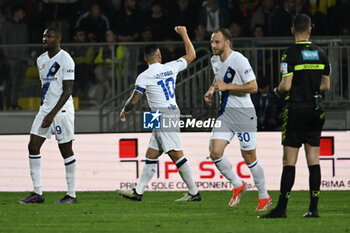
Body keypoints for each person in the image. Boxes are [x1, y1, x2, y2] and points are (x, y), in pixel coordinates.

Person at [116, 26, 200, 202]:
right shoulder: (171, 67)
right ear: (159, 56)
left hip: (163, 116)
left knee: (177, 154)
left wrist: (124, 111)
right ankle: (138, 192)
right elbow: (192, 55)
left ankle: (194, 193)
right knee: (152, 154)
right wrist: (184, 34)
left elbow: (133, 100)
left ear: (145, 58)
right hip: (164, 114)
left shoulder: (144, 76)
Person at [259, 13, 331, 218]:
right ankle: (313, 208)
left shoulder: (288, 54)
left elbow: (286, 86)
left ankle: (281, 208)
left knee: (289, 161)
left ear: (292, 30)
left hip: (296, 110)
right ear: (310, 29)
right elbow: (325, 85)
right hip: (316, 110)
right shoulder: (321, 53)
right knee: (313, 159)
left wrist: (276, 91)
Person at [204, 28, 271, 211]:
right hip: (225, 113)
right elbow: (218, 79)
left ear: (227, 43)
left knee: (249, 157)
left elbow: (254, 86)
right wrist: (212, 89)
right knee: (215, 152)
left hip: (243, 114)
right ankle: (237, 184)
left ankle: (264, 196)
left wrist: (227, 86)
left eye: (217, 42)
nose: (213, 45)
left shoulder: (239, 60)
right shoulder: (214, 60)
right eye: (211, 42)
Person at [19, 27, 77, 204]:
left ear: (58, 38)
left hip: (62, 110)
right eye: (44, 36)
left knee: (65, 150)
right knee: (33, 146)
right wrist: (45, 110)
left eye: (49, 36)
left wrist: (52, 114)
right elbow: (44, 87)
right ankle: (38, 193)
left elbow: (67, 91)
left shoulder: (66, 59)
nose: (45, 39)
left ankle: (71, 195)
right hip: (45, 110)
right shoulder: (41, 60)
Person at [1, 4, 29, 110]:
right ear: (16, 12)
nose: (23, 14)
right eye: (22, 12)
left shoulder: (23, 26)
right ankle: (10, 104)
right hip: (10, 59)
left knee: (19, 83)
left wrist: (25, 56)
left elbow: (25, 42)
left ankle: (15, 103)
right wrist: (8, 56)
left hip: (21, 59)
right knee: (11, 82)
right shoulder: (6, 25)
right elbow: (4, 42)